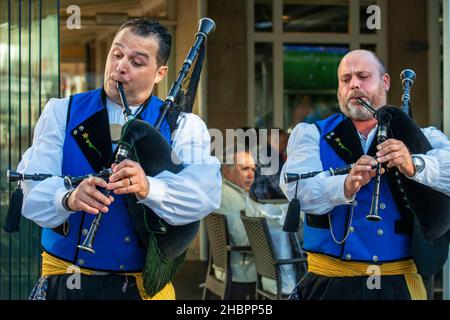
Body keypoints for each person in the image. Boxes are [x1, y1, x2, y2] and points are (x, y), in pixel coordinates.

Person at [18, 18, 221, 300]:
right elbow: (30, 188)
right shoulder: (62, 112)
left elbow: (205, 194)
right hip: (65, 281)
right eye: (116, 54)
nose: (120, 66)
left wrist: (149, 187)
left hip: (140, 287)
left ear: (160, 72)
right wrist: (67, 199)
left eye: (137, 62)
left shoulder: (183, 126)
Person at [281, 49, 450, 300]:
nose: (354, 85)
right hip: (329, 284)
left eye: (363, 76)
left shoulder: (423, 136)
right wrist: (345, 186)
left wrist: (414, 164)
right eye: (345, 79)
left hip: (397, 285)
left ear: (385, 82)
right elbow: (296, 189)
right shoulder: (311, 134)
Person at [215, 146, 300, 298]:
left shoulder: (228, 192)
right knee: (296, 252)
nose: (250, 175)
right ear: (228, 171)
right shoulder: (231, 199)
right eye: (245, 169)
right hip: (244, 271)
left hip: (226, 267)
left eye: (253, 170)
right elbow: (244, 240)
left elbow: (256, 211)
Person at [250, 129, 288, 201]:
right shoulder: (263, 156)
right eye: (284, 142)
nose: (286, 145)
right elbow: (279, 186)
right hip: (259, 202)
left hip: (268, 199)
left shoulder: (277, 156)